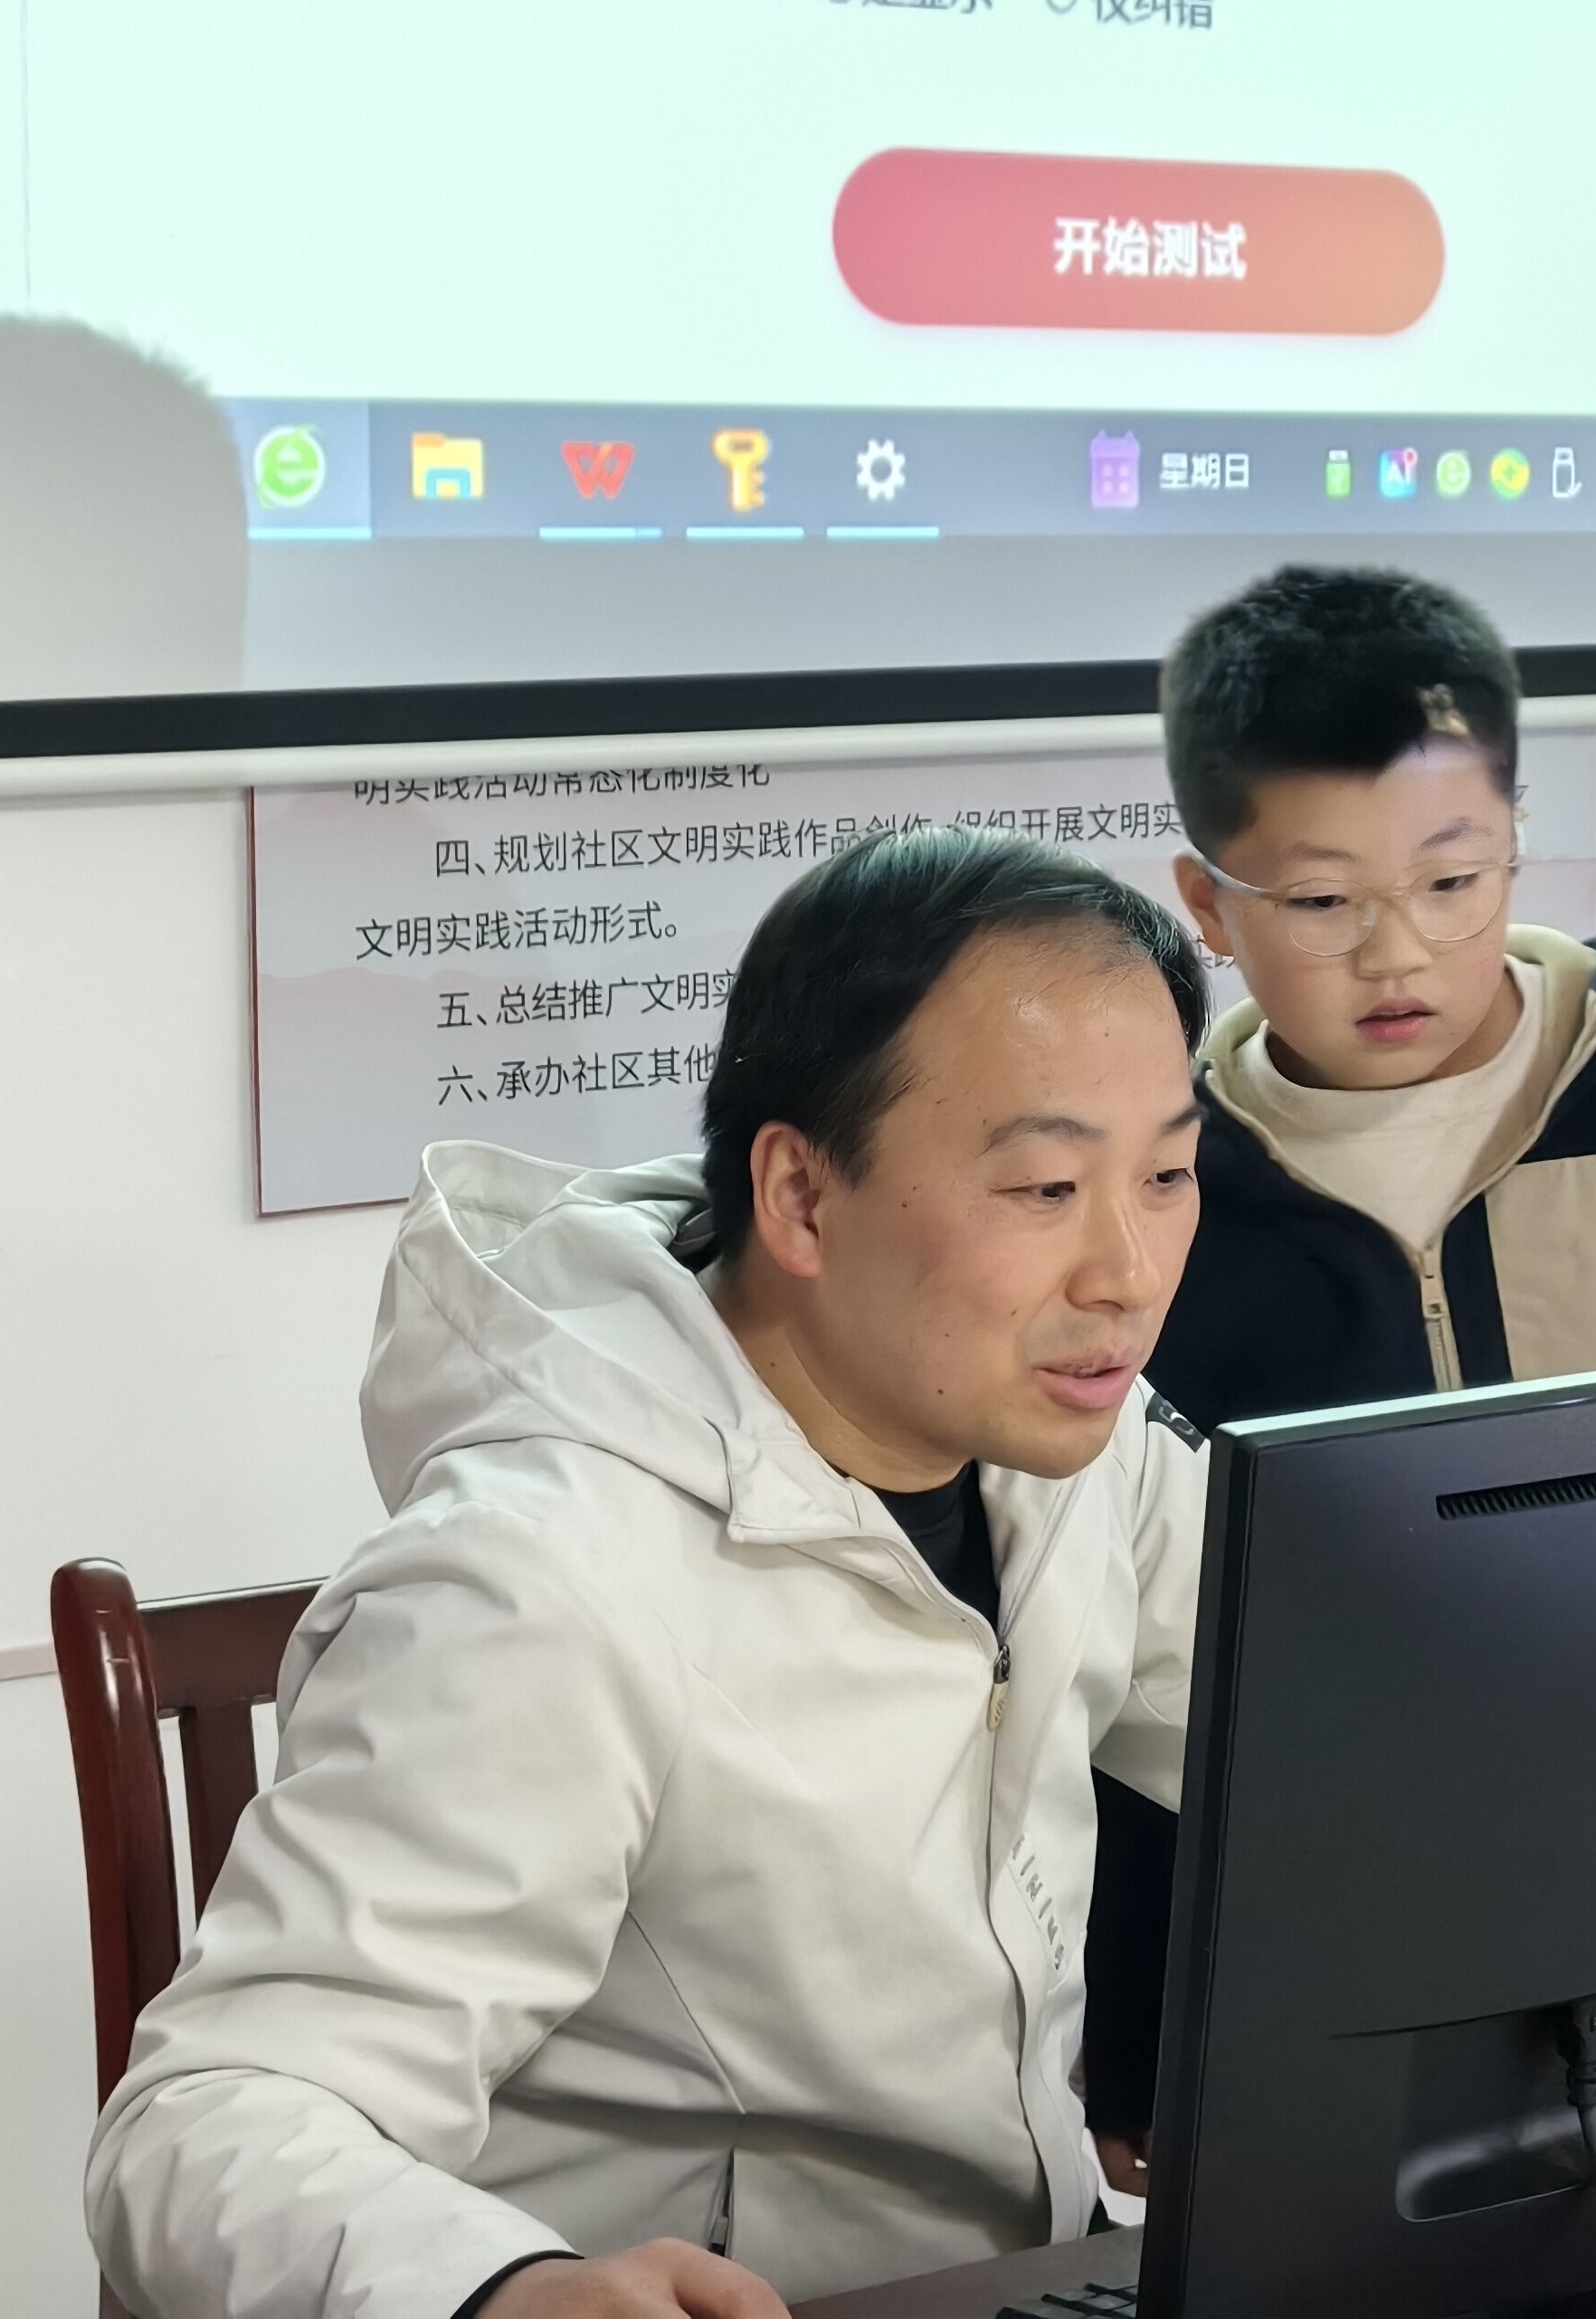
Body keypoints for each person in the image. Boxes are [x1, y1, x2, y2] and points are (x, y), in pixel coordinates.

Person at [86, 829, 1215, 2319]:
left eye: (1170, 1172)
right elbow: (203, 2124)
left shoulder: (1071, 1443)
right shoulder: (541, 1579)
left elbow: (1348, 1734)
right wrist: (506, 2289)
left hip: (1032, 2276)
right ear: (799, 1197)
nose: (1129, 1270)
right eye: (1047, 1188)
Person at [1079, 564, 1596, 2186]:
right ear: (1207, 904)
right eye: (1321, 902)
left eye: (1451, 879)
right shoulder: (1163, 1182)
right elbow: (1125, 1649)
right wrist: (1133, 2045)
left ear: (1515, 842)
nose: (1399, 952)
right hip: (1316, 1927)